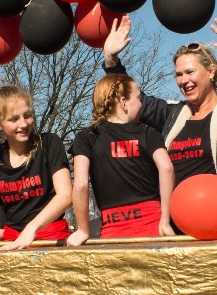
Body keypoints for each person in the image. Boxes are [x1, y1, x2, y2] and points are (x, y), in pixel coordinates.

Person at [102, 13, 217, 189]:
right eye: (179, 75)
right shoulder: (172, 114)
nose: (184, 80)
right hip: (178, 214)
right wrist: (111, 60)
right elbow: (132, 98)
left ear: (211, 71)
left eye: (190, 72)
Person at [68, 74, 174, 245]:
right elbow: (167, 168)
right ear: (124, 102)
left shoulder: (87, 137)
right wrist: (166, 221)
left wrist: (83, 230)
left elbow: (80, 185)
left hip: (113, 232)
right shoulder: (149, 132)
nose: (142, 104)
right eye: (139, 98)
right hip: (154, 227)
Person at [0, 85, 73, 251]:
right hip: (12, 242)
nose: (23, 124)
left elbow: (66, 196)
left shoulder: (50, 143)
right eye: (13, 119)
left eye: (27, 115)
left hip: (51, 238)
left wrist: (31, 228)